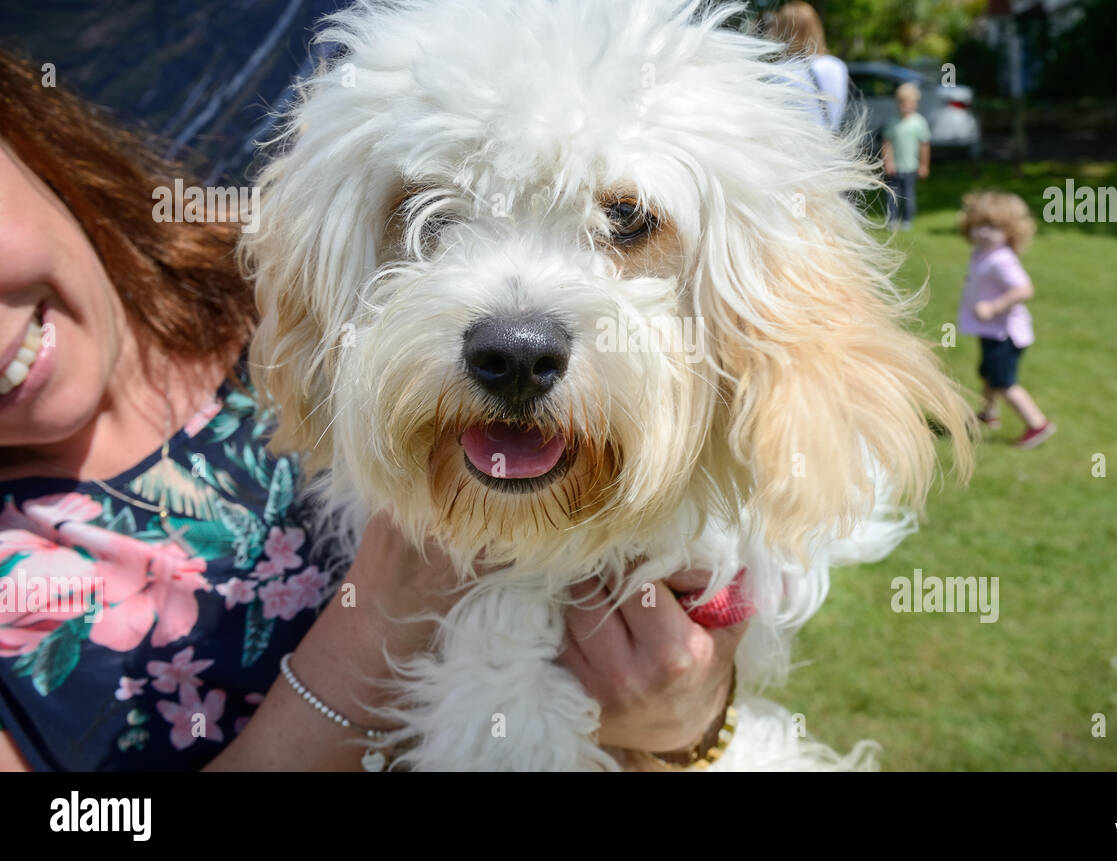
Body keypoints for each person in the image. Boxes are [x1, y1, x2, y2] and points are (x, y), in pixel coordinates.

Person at [0, 48, 743, 771]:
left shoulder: (267, 262)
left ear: (24, 140)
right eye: (431, 217)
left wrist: (689, 719)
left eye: (623, 222)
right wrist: (383, 611)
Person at [956, 191, 1056, 449]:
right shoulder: (981, 253)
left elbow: (1024, 289)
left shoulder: (1002, 260)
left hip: (1006, 334)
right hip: (991, 331)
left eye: (993, 227)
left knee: (1004, 382)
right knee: (988, 374)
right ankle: (988, 413)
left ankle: (1037, 424)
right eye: (979, 225)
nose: (983, 232)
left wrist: (994, 307)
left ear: (1010, 231)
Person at [769, 0, 850, 132]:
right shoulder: (838, 66)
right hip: (829, 141)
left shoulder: (779, 71)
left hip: (793, 142)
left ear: (783, 31)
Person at [882, 83, 931, 230]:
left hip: (911, 167)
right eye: (902, 102)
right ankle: (892, 220)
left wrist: (924, 165)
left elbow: (924, 145)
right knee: (892, 196)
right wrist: (888, 162)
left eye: (910, 102)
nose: (906, 105)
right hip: (895, 167)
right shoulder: (892, 122)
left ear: (915, 104)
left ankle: (907, 220)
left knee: (909, 196)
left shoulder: (919, 122)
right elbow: (887, 143)